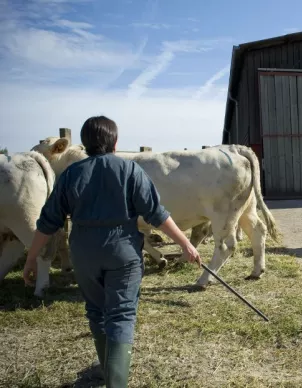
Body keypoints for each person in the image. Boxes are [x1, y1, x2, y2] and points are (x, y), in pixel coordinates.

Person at [22, 116, 202, 387]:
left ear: (84, 143)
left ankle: (108, 370)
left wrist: (31, 257)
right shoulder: (130, 171)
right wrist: (185, 243)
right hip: (123, 252)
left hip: (83, 252)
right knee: (121, 314)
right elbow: (156, 213)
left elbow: (48, 222)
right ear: (115, 142)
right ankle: (115, 381)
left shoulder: (71, 174)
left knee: (96, 310)